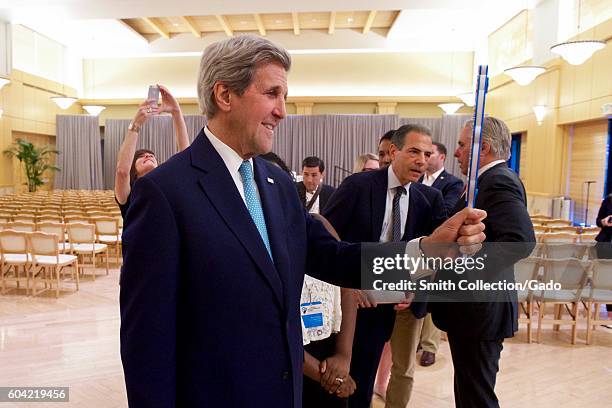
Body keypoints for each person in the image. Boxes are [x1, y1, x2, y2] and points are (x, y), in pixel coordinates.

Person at [120, 35, 487, 407]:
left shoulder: (277, 183)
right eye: (272, 94)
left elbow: (335, 257)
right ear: (225, 95)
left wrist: (424, 251)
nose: (282, 111)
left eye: (284, 96)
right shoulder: (164, 192)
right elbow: (147, 339)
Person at [323, 124, 447, 408]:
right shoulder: (358, 186)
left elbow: (433, 257)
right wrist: (349, 287)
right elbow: (325, 237)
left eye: (427, 154)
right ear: (394, 151)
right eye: (414, 151)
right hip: (347, 306)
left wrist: (416, 289)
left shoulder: (429, 200)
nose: (421, 160)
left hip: (386, 311)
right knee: (335, 381)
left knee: (363, 382)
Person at [429, 117, 535, 408]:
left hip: (481, 310)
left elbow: (520, 240)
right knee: (469, 392)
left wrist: (465, 270)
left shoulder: (498, 181)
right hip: (473, 311)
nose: (456, 152)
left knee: (477, 397)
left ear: (483, 148)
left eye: (462, 145)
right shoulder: (486, 181)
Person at [301, 214, 358, 407]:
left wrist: (343, 357)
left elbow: (346, 284)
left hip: (329, 350)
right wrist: (329, 377)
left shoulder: (317, 223)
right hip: (290, 358)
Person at [417, 141, 464, 367]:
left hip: (439, 248)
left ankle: (430, 346)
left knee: (431, 296)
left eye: (430, 154)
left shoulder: (453, 183)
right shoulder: (417, 178)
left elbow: (446, 211)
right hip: (418, 245)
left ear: (442, 157)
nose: (425, 158)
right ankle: (419, 340)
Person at [114, 85, 189, 218]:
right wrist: (136, 124)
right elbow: (122, 171)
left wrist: (176, 112)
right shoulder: (129, 193)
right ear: (134, 171)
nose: (148, 155)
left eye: (151, 156)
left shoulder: (166, 185)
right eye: (141, 156)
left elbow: (185, 157)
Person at [594, 194, 612, 319]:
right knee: (607, 278)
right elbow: (598, 221)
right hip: (606, 242)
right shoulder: (608, 200)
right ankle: (610, 315)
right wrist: (603, 221)